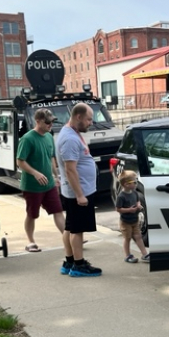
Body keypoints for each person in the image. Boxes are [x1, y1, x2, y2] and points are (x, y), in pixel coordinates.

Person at [55, 103, 102, 277]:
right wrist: (80, 195)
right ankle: (79, 265)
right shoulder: (69, 139)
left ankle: (69, 261)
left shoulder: (72, 133)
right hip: (78, 192)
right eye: (89, 119)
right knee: (77, 230)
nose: (91, 122)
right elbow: (70, 169)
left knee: (70, 227)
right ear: (78, 117)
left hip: (77, 190)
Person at [16, 109, 65, 252]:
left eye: (52, 122)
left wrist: (56, 177)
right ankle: (30, 242)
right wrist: (35, 173)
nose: (50, 125)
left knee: (58, 211)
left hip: (49, 184)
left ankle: (68, 237)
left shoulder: (49, 137)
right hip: (32, 186)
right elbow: (20, 161)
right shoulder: (27, 138)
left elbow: (51, 158)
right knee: (32, 214)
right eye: (47, 122)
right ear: (38, 121)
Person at [115, 170, 150, 263]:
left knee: (138, 236)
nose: (136, 183)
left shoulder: (134, 192)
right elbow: (118, 209)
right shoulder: (121, 196)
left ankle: (145, 254)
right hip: (125, 222)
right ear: (126, 184)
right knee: (127, 238)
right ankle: (127, 255)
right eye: (134, 182)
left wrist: (138, 205)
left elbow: (138, 200)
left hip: (135, 220)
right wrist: (129, 210)